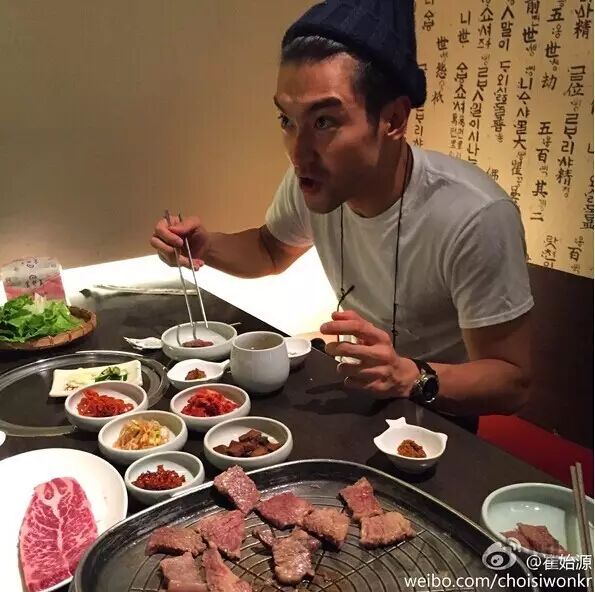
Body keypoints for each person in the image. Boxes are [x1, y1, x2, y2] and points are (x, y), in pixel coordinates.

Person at [151, 0, 533, 420]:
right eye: (287, 120)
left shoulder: (474, 215)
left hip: (438, 415)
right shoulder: (314, 178)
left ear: (393, 119)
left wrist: (409, 376)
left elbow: (511, 381)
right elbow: (270, 250)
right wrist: (204, 247)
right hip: (356, 394)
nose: (298, 153)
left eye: (324, 122)